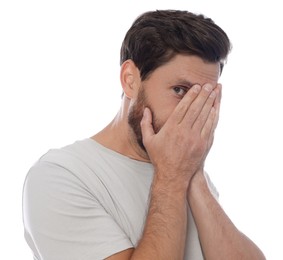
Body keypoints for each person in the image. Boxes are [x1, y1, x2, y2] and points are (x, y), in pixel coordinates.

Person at [22, 10, 265, 260]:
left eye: (206, 97)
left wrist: (196, 177)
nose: (191, 112)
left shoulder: (189, 171)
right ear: (130, 81)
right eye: (180, 90)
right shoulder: (61, 175)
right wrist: (172, 176)